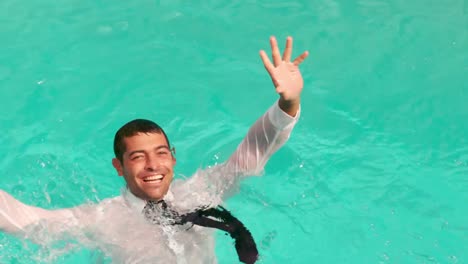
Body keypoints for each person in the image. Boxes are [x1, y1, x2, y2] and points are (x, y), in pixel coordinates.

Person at [0, 36, 308, 263]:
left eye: (160, 153)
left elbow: (251, 156)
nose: (152, 165)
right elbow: (28, 223)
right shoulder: (101, 218)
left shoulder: (201, 191)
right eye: (137, 156)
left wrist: (288, 103)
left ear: (173, 157)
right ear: (118, 167)